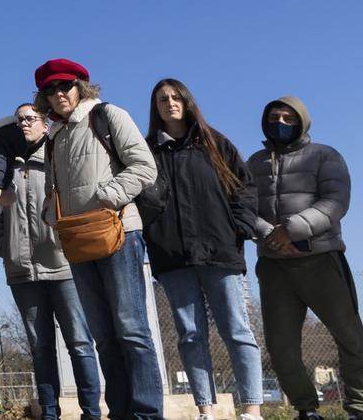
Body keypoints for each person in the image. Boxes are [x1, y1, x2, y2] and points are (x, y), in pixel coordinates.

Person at [33, 58, 163, 420]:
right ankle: (120, 412)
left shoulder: (108, 115)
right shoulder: (53, 137)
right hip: (77, 239)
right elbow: (50, 190)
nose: (59, 94)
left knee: (132, 329)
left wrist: (108, 195)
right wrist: (53, 217)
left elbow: (144, 166)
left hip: (118, 230)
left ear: (81, 86)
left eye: (65, 86)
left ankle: (148, 413)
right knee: (103, 335)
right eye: (50, 90)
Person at [140, 80, 263, 420]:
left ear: (187, 101)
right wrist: (154, 237)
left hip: (220, 251)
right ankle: (205, 409)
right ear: (155, 108)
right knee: (190, 335)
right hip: (172, 257)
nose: (170, 103)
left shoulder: (215, 143)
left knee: (237, 330)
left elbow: (244, 188)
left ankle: (252, 409)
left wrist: (241, 227)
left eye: (176, 97)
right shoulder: (146, 151)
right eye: (162, 99)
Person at [248, 96, 362, 420]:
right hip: (273, 266)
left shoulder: (325, 156)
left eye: (288, 117)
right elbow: (240, 206)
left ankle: (358, 407)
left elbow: (336, 200)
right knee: (281, 347)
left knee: (351, 336)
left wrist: (292, 229)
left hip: (321, 260)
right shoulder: (254, 162)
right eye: (274, 117)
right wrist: (270, 234)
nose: (280, 123)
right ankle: (306, 409)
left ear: (301, 122)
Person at [0, 105, 101, 420]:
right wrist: (5, 245)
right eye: (19, 120)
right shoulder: (5, 165)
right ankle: (50, 413)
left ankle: (92, 413)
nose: (24, 124)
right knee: (40, 348)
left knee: (79, 342)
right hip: (21, 271)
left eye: (30, 119)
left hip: (64, 265)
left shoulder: (58, 158)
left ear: (45, 124)